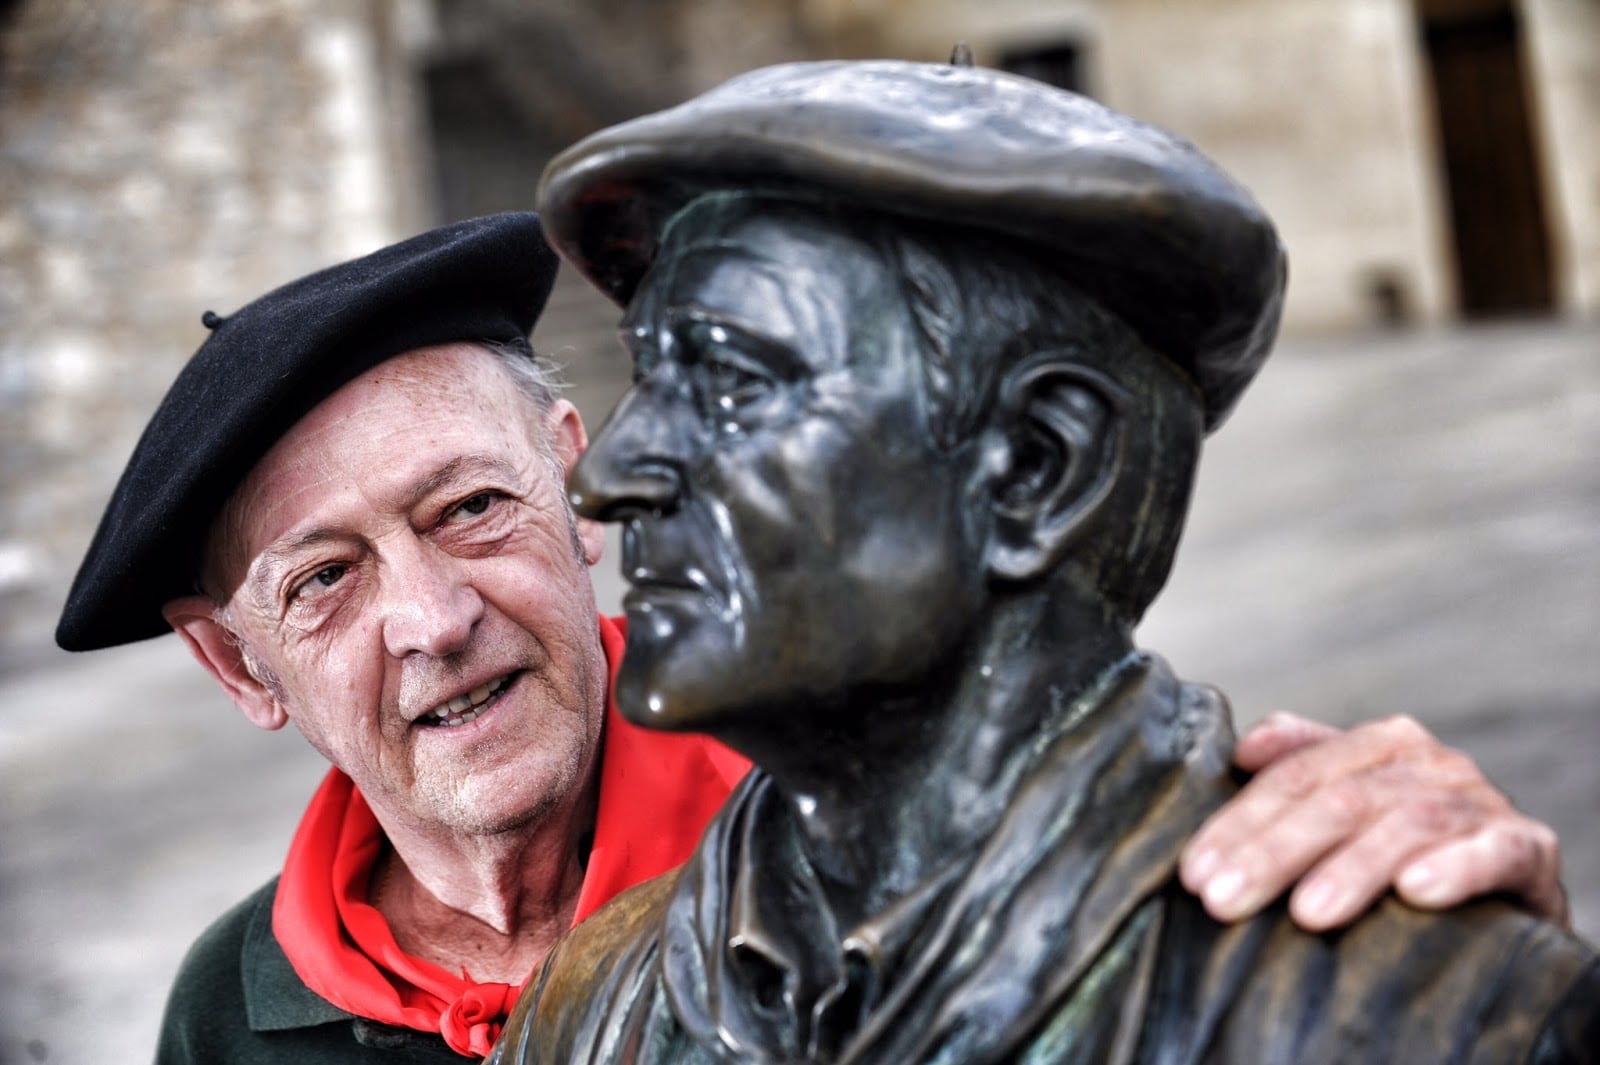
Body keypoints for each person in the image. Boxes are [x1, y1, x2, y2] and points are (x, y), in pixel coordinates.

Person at [54, 209, 1570, 1064]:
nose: (433, 622)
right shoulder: (227, 1011)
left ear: (578, 480)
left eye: (469, 509)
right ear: (240, 665)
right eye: (324, 579)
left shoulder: (849, 828)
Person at [488, 59, 1597, 1062]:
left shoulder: (1422, 1017)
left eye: (730, 386)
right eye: (646, 379)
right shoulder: (589, 1015)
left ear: (1036, 466)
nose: (609, 474)